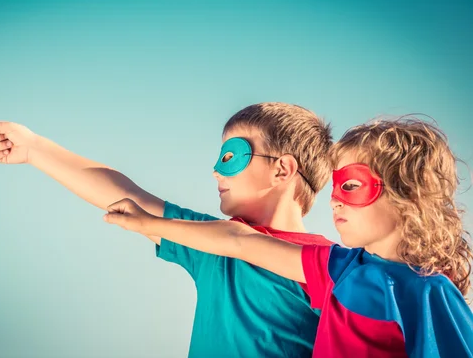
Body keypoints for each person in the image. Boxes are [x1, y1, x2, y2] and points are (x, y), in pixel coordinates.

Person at [0, 102, 334, 357]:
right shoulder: (210, 246)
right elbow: (124, 193)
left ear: (283, 170)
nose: (215, 172)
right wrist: (34, 148)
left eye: (231, 157)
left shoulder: (332, 267)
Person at [104, 117, 473, 357]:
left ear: (406, 193)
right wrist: (145, 224)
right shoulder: (337, 269)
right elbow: (239, 240)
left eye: (351, 185)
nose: (335, 201)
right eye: (335, 186)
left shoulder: (429, 292)